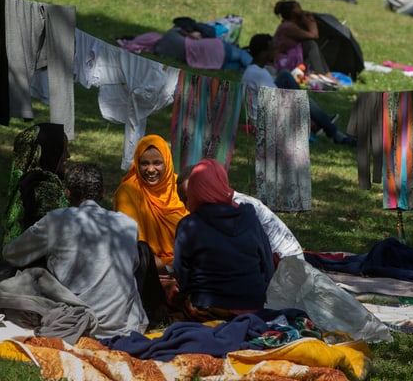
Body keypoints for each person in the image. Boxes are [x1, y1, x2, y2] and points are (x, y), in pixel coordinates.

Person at [3, 163, 148, 337]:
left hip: (75, 323)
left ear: (67, 193)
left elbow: (11, 254)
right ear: (102, 194)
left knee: (29, 271)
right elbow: (132, 268)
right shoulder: (127, 224)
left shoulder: (57, 220)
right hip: (125, 326)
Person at [173, 158, 275, 321]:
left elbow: (182, 275)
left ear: (193, 190)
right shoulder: (249, 216)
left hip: (208, 308)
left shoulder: (188, 225)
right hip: (253, 305)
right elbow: (267, 265)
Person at [176, 164, 304, 265]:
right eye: (185, 200)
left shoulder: (237, 208)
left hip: (285, 264)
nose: (189, 204)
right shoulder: (216, 209)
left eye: (193, 195)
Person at [243, 34, 356, 146]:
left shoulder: (252, 70)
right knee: (304, 101)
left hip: (261, 115)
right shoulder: (260, 74)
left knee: (285, 75)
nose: (276, 52)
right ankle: (335, 134)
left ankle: (323, 126)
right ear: (263, 53)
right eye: (272, 49)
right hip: (266, 123)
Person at [112, 134, 189, 271]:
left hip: (188, 265)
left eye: (157, 163)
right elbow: (134, 246)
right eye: (144, 163)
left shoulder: (179, 186)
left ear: (167, 161)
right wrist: (169, 269)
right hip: (148, 269)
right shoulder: (128, 192)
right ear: (136, 163)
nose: (151, 170)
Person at [0, 123, 70, 248]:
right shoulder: (46, 189)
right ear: (50, 153)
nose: (68, 155)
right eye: (63, 150)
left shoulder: (22, 179)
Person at [271, 0, 331, 76]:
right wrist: (310, 19)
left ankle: (327, 75)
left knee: (312, 45)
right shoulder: (288, 27)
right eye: (299, 7)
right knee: (311, 44)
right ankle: (322, 75)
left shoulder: (290, 24)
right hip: (282, 63)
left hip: (289, 59)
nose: (302, 9)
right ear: (294, 11)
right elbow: (314, 35)